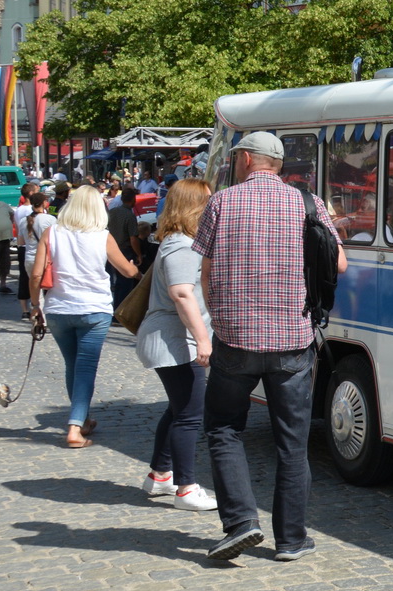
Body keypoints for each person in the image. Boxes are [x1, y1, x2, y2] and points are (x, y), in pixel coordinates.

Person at [196, 131, 344, 563]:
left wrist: (220, 316)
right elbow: (340, 262)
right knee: (292, 442)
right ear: (279, 165)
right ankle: (291, 539)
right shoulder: (308, 203)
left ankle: (242, 522)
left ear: (244, 159)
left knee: (224, 429)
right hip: (292, 342)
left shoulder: (222, 202)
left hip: (235, 340)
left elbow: (204, 268)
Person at [28, 185, 138, 448]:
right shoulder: (102, 236)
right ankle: (75, 428)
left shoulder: (51, 232)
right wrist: (139, 273)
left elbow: (35, 274)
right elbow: (125, 271)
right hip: (94, 309)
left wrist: (35, 306)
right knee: (86, 368)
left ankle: (84, 419)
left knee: (72, 365)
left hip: (58, 309)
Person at [136, 180, 218, 512]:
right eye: (208, 203)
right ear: (196, 206)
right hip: (175, 342)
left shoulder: (178, 242)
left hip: (172, 340)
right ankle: (187, 488)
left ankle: (160, 473)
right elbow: (182, 293)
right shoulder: (182, 245)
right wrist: (203, 340)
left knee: (178, 410)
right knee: (189, 415)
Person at [17, 190, 52, 320]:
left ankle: (36, 314)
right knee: (49, 289)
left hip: (30, 258)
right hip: (46, 258)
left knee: (35, 289)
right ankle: (46, 317)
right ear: (44, 203)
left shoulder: (23, 221)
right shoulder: (50, 219)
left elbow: (20, 242)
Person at [106, 190, 140, 307]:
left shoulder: (112, 212)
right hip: (125, 251)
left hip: (109, 249)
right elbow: (133, 239)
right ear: (133, 200)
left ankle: (114, 309)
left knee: (114, 282)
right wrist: (139, 254)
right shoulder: (129, 216)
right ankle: (120, 311)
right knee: (125, 283)